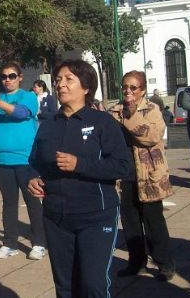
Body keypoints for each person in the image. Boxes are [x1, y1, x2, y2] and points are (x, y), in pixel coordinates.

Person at [28, 60, 132, 297]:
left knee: (92, 284)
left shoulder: (102, 122)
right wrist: (33, 177)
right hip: (56, 216)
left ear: (86, 87)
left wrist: (80, 165)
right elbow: (34, 161)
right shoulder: (48, 125)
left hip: (95, 216)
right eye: (58, 80)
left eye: (68, 79)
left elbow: (123, 166)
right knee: (65, 287)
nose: (60, 85)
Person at [109, 71, 176, 282]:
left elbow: (151, 137)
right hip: (126, 175)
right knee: (130, 223)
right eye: (125, 87)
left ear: (143, 90)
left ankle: (164, 264)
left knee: (154, 222)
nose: (128, 91)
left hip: (149, 175)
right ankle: (136, 262)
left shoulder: (152, 109)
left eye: (133, 88)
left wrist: (130, 116)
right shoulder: (114, 112)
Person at [0, 62, 46, 260]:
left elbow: (22, 113)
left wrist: (0, 104)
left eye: (12, 76)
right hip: (1, 159)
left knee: (33, 201)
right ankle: (10, 244)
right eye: (4, 76)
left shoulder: (28, 96)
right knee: (9, 203)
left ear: (20, 77)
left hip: (26, 159)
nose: (7, 80)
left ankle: (39, 243)